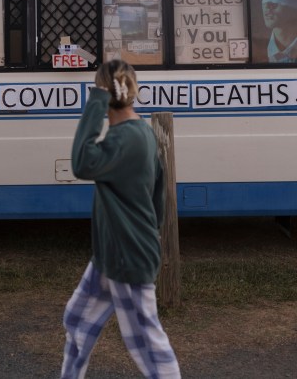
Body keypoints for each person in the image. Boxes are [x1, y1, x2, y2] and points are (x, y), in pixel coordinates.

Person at [61, 59, 180, 378]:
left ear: (103, 94)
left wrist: (95, 103)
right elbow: (159, 194)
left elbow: (81, 162)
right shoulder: (140, 131)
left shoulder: (123, 139)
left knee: (148, 346)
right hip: (112, 255)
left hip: (128, 257)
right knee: (76, 321)